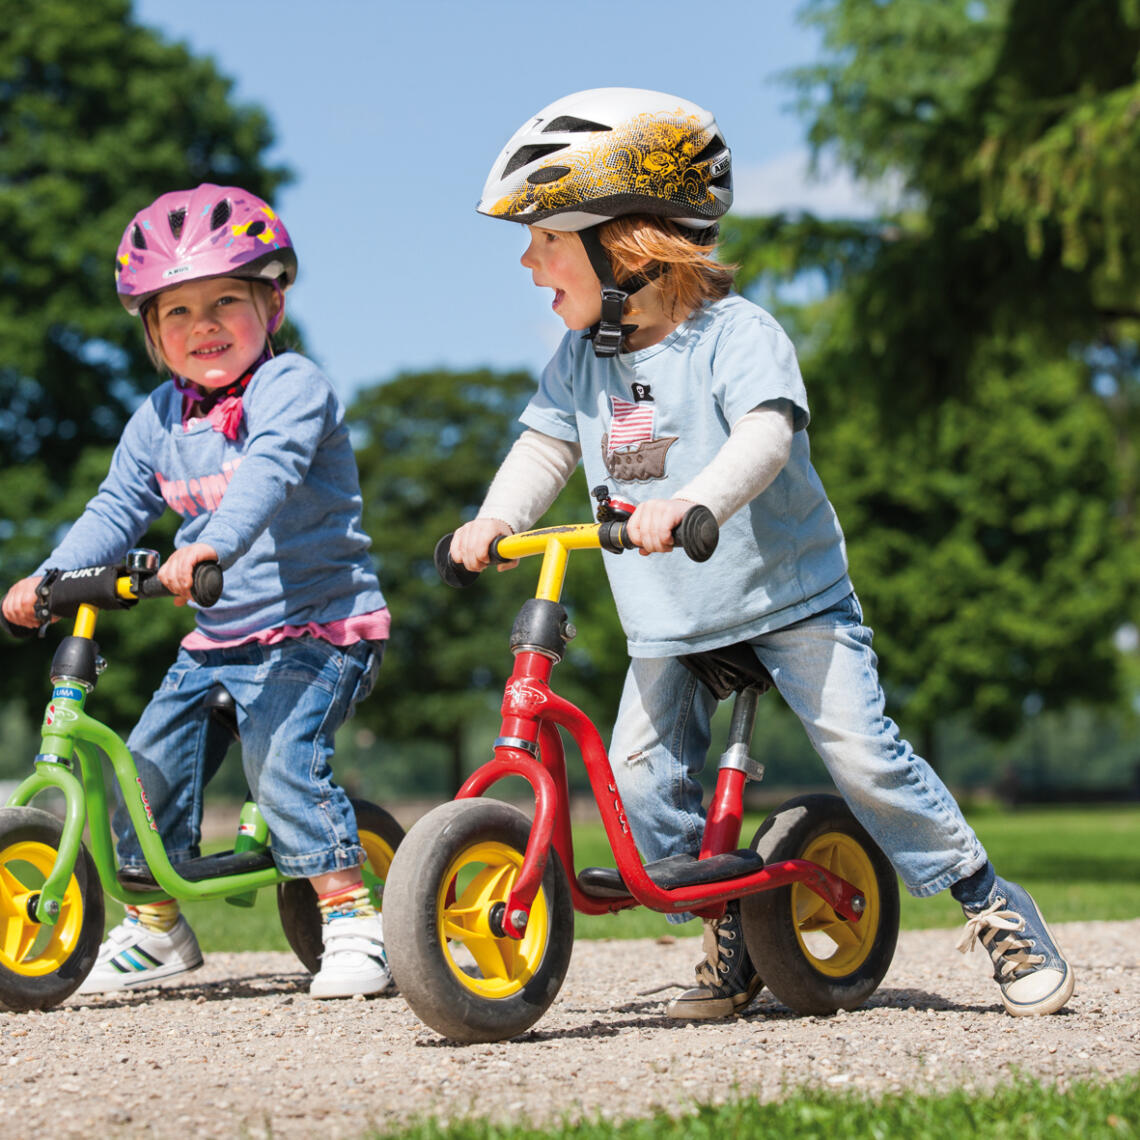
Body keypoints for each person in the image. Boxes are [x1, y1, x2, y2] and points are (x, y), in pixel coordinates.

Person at [449, 88, 1074, 1020]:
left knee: (866, 759)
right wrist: (495, 518)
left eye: (546, 235)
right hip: (669, 619)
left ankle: (990, 903)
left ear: (627, 239)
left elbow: (766, 437)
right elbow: (546, 446)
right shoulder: (580, 358)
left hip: (793, 601)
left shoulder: (737, 336)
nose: (531, 259)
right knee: (639, 781)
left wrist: (693, 499)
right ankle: (725, 921)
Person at [1, 184, 393, 1000]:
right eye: (175, 313)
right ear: (150, 330)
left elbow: (269, 472)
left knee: (283, 761)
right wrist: (48, 577)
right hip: (217, 638)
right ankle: (157, 926)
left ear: (273, 300)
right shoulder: (156, 419)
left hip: (317, 630)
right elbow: (116, 508)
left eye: (224, 301)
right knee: (144, 771)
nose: (202, 325)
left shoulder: (292, 388)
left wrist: (210, 543)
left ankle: (353, 918)